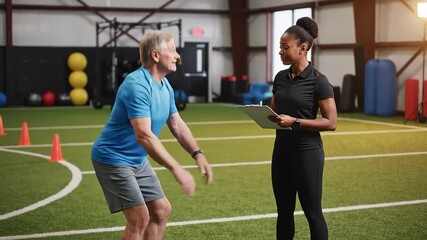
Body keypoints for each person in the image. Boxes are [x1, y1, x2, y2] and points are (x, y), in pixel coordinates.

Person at [91, 30, 213, 240]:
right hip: (113, 158)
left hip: (137, 160)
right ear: (156, 56)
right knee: (139, 218)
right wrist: (176, 169)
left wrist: (198, 153)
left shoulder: (165, 85)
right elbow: (145, 136)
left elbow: (177, 124)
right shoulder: (136, 85)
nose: (177, 56)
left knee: (161, 211)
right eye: (172, 50)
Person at [267, 17, 337, 240]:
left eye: (285, 48)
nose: (281, 52)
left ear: (303, 48)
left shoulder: (319, 81)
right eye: (280, 47)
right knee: (284, 212)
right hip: (282, 151)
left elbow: (331, 122)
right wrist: (265, 115)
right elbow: (275, 109)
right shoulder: (280, 77)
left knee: (313, 214)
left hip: (307, 152)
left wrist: (295, 121)